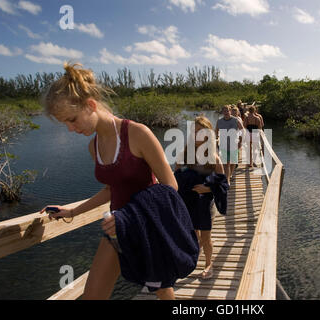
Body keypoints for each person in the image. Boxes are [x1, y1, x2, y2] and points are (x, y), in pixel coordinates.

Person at [39, 62, 183, 300]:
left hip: (148, 227)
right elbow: (110, 190)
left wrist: (130, 216)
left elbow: (171, 186)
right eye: (64, 122)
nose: (70, 129)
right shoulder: (93, 147)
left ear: (91, 105)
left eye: (72, 119)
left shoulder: (138, 134)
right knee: (93, 296)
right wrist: (73, 210)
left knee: (162, 290)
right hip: (117, 230)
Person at [174, 116, 228, 280]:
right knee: (193, 233)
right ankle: (193, 256)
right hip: (188, 200)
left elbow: (223, 183)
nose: (197, 135)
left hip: (205, 202)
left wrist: (207, 188)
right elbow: (175, 173)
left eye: (201, 132)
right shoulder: (185, 153)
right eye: (194, 132)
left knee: (206, 236)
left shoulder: (213, 157)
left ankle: (208, 263)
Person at [215, 105, 243, 183]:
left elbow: (242, 130)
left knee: (233, 161)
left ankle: (229, 175)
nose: (226, 112)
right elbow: (216, 131)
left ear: (230, 111)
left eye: (227, 111)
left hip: (234, 144)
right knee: (226, 163)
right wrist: (216, 140)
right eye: (224, 111)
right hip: (223, 145)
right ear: (222, 112)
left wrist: (240, 141)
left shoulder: (236, 120)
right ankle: (227, 181)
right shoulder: (219, 121)